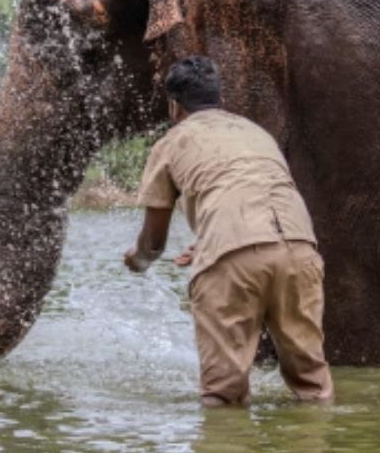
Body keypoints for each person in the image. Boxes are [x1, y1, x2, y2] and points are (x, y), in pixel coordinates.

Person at [123, 56, 335, 406]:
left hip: (232, 258)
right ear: (219, 97)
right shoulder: (256, 133)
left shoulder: (171, 143)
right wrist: (208, 243)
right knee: (312, 385)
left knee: (222, 394)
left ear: (174, 106)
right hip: (300, 250)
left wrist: (139, 260)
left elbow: (154, 243)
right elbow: (259, 195)